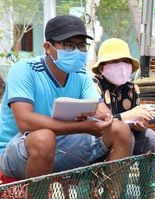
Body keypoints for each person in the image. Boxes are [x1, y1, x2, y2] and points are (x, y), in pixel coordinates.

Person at [0, 15, 132, 180]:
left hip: (62, 146)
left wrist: (103, 116)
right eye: (69, 46)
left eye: (82, 46)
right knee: (44, 138)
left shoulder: (80, 73)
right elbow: (24, 122)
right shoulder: (24, 70)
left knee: (120, 130)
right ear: (48, 47)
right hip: (17, 154)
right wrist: (82, 126)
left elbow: (100, 107)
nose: (77, 51)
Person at [92, 38, 155, 155]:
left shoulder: (132, 88)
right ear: (102, 67)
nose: (122, 66)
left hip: (128, 135)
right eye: (115, 61)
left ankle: (148, 174)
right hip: (99, 138)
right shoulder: (94, 86)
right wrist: (126, 116)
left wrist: (140, 124)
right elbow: (96, 123)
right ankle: (118, 173)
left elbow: (136, 120)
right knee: (126, 137)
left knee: (151, 138)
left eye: (125, 61)